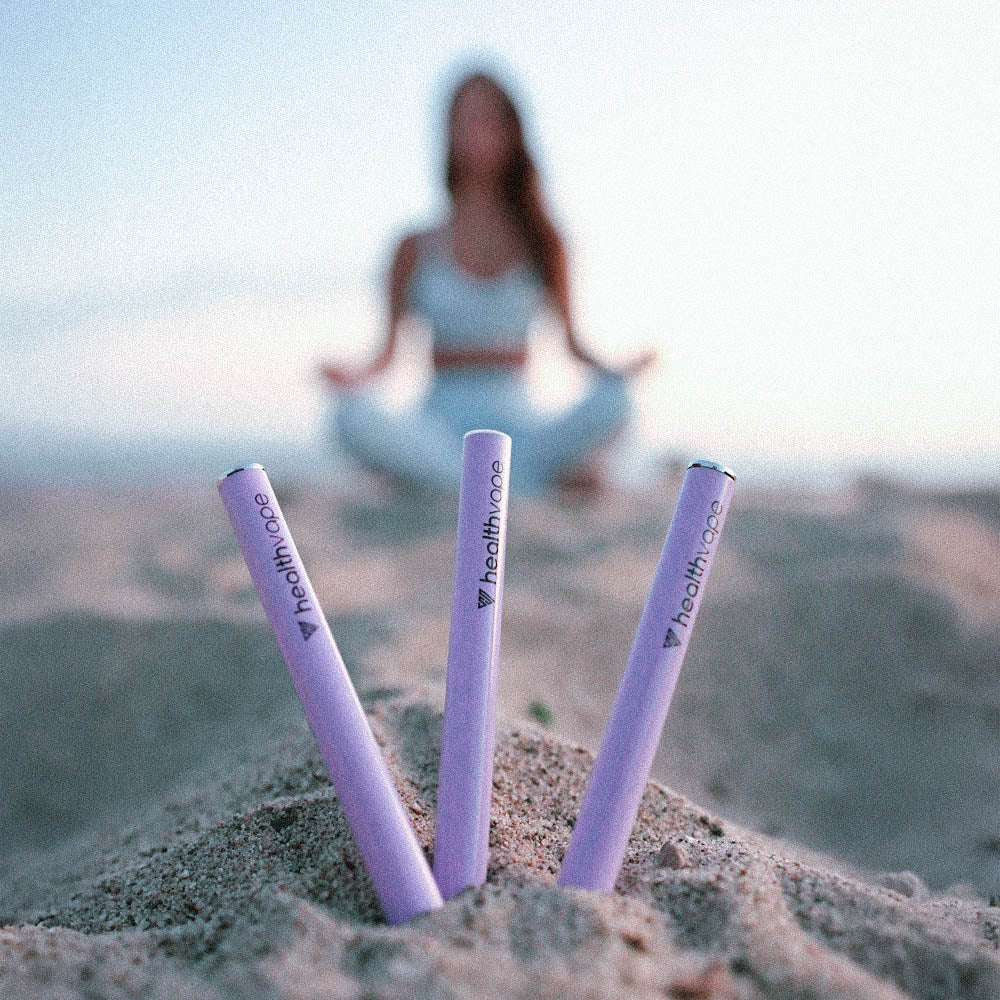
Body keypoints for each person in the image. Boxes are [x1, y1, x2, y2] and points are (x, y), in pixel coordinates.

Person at [321, 69, 655, 494]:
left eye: (489, 118)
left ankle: (472, 486)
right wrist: (350, 377)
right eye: (465, 119)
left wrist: (620, 370)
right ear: (447, 132)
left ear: (513, 132)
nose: (477, 132)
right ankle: (518, 487)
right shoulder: (413, 246)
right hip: (437, 431)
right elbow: (384, 355)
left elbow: (575, 346)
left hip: (523, 431)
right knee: (348, 417)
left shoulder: (545, 242)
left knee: (617, 401)